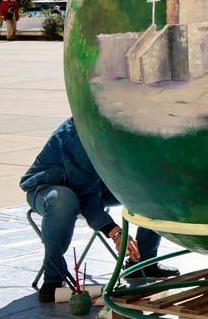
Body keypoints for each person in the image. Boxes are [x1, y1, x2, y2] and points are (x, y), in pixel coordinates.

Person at [21, 118, 179, 303]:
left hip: (94, 184)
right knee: (64, 200)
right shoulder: (82, 134)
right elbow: (87, 199)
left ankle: (142, 262)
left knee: (155, 189)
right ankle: (53, 277)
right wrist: (115, 232)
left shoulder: (129, 125)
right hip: (48, 188)